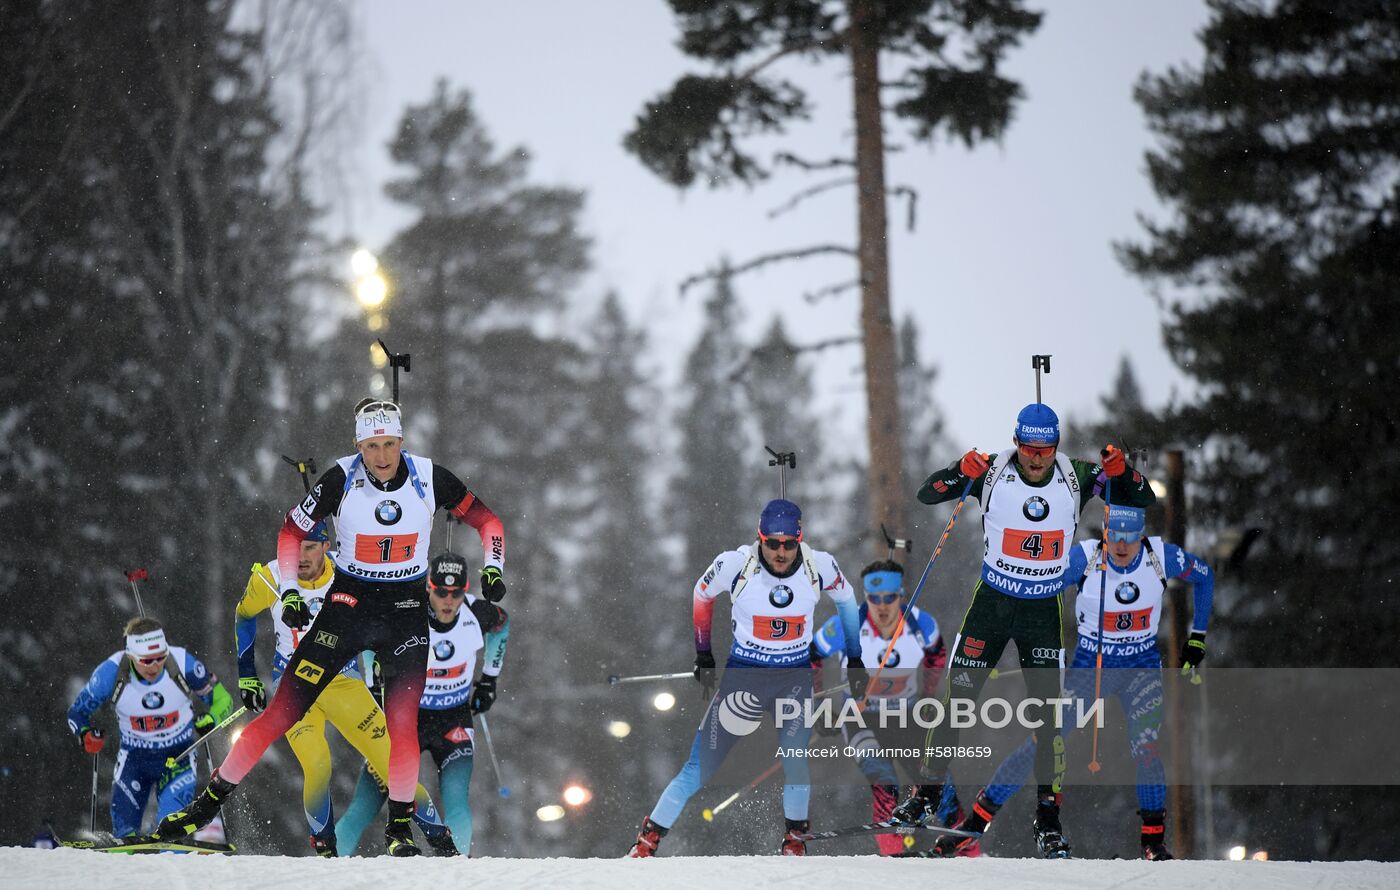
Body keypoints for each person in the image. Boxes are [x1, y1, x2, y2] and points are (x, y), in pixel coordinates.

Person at [152, 398, 507, 857]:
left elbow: (488, 520)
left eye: (390, 444)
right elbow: (289, 532)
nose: (381, 456)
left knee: (402, 726)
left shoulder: (429, 476)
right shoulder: (341, 477)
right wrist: (291, 591)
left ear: (402, 440)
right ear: (358, 444)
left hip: (404, 614)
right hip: (349, 608)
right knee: (280, 712)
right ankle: (202, 809)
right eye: (372, 445)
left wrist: (494, 567)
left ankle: (399, 832)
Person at [891, 403, 1155, 858]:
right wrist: (959, 471)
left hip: (1041, 612)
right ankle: (926, 796)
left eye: (1045, 449)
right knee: (957, 700)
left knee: (1048, 721)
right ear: (1017, 442)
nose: (1037, 458)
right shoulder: (992, 471)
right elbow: (927, 494)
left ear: (1055, 445)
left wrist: (1122, 471)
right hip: (992, 604)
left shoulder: (1078, 475)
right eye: (1029, 448)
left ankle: (1048, 819)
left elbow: (1142, 498)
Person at [936, 504, 1213, 860]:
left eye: (1130, 537)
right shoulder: (1085, 558)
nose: (1122, 545)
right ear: (1105, 532)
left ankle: (1153, 843)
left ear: (1142, 535)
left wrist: (1197, 638)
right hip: (1091, 667)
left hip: (1140, 667)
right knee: (1044, 741)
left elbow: (1205, 577)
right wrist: (1000, 642)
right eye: (1114, 535)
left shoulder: (1161, 557)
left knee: (1146, 749)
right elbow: (1035, 591)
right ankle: (974, 825)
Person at [627, 498, 865, 857]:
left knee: (796, 759)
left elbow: (847, 602)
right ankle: (647, 841)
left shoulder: (821, 566)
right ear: (760, 539)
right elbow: (701, 595)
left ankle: (794, 840)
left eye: (789, 543)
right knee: (700, 766)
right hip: (744, 680)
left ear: (800, 538)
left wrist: (856, 659)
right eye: (772, 543)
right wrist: (703, 653)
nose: (780, 552)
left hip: (794, 680)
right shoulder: (735, 564)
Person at [234, 520, 453, 856]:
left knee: (389, 758)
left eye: (310, 547)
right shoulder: (270, 576)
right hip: (294, 685)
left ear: (325, 546)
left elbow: (384, 613)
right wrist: (246, 673)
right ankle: (325, 850)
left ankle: (441, 842)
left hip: (344, 682)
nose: (301, 558)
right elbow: (244, 614)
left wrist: (385, 657)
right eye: (295, 548)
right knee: (318, 763)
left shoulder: (349, 572)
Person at [336, 551, 509, 856]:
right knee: (364, 808)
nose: (448, 601)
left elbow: (502, 625)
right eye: (441, 591)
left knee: (456, 803)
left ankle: (456, 877)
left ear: (464, 590)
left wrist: (489, 680)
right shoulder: (407, 612)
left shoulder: (477, 613)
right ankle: (324, 873)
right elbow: (370, 635)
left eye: (456, 593)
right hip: (406, 720)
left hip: (453, 720)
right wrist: (372, 683)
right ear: (428, 586)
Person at [809, 559, 972, 856]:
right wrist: (820, 704)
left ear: (901, 595)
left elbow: (937, 657)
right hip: (860, 719)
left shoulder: (921, 624)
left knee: (938, 783)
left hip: (906, 718)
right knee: (884, 782)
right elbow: (812, 656)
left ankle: (967, 852)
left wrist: (927, 696)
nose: (882, 607)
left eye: (889, 598)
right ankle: (891, 859)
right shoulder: (847, 627)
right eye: (874, 599)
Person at [67, 617, 234, 838]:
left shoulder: (183, 663)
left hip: (178, 756)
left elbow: (224, 700)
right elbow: (77, 712)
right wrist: (85, 734)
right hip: (134, 759)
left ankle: (174, 865)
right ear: (131, 656)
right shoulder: (110, 673)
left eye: (160, 658)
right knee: (124, 835)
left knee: (171, 831)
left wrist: (211, 719)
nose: (155, 666)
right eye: (146, 661)